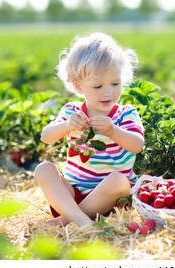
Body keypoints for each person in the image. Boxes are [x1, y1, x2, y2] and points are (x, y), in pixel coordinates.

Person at [34, 32, 144, 226]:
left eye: (115, 83)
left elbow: (137, 145)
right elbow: (46, 137)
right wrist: (67, 126)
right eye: (98, 86)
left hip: (110, 199)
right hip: (73, 195)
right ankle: (82, 222)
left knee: (120, 181)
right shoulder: (72, 112)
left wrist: (113, 131)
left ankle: (68, 221)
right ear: (78, 86)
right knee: (43, 169)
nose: (108, 91)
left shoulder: (125, 114)